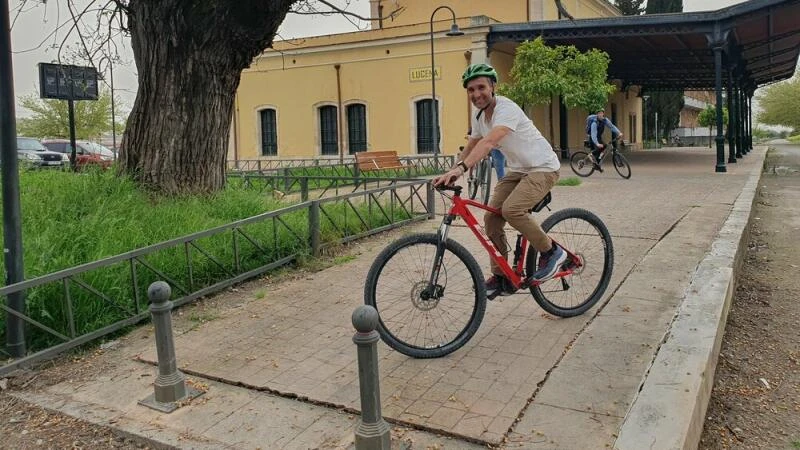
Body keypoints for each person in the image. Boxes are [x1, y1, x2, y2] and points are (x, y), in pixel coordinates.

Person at [433, 63, 565, 298]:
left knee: (512, 210)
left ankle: (552, 252)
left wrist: (462, 168)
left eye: (481, 87)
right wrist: (451, 171)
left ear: (493, 86)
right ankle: (503, 277)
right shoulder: (480, 116)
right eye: (471, 90)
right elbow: (473, 144)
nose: (476, 94)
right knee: (492, 217)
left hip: (543, 167)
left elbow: (490, 142)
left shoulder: (506, 109)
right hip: (519, 170)